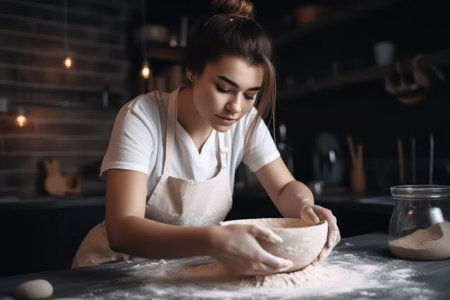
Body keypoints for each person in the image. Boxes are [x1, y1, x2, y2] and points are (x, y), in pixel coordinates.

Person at [72, 0, 340, 275]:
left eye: (250, 95)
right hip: (113, 272)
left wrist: (305, 206)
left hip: (179, 272)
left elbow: (285, 189)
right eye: (224, 88)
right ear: (192, 70)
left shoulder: (245, 122)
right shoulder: (142, 116)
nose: (236, 107)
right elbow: (122, 229)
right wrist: (213, 240)